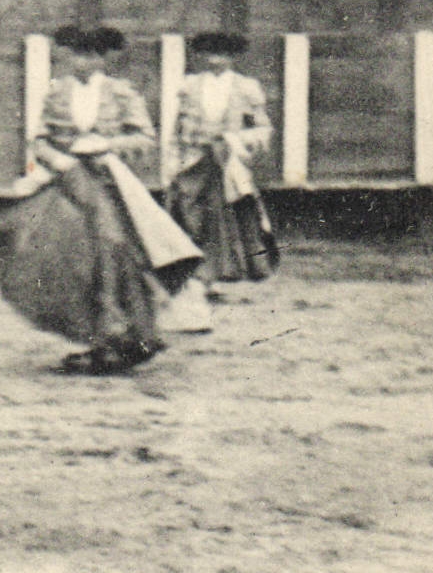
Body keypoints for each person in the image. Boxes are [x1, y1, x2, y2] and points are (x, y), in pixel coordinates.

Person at [28, 25, 202, 373]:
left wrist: (107, 147)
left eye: (92, 55)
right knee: (68, 258)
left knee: (114, 252)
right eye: (77, 54)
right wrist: (57, 158)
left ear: (105, 58)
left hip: (110, 185)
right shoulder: (55, 92)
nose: (83, 61)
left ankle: (128, 336)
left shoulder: (122, 92)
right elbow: (41, 140)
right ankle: (94, 340)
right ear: (66, 55)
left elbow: (144, 138)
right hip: (68, 181)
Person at [164, 31, 279, 329]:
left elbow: (263, 129)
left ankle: (212, 276)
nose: (216, 59)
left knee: (225, 219)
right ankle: (197, 277)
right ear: (202, 56)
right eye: (211, 53)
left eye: (223, 54)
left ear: (232, 57)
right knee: (190, 216)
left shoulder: (246, 87)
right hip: (194, 160)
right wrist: (173, 162)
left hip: (227, 161)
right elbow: (176, 131)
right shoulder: (190, 86)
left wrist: (236, 141)